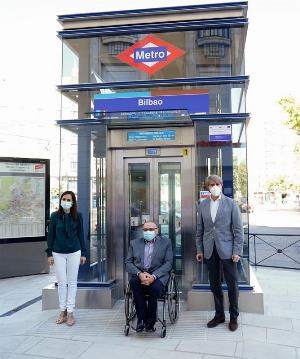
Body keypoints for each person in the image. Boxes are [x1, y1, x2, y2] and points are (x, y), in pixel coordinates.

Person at [195, 175, 244, 331]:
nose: (214, 186)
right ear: (207, 187)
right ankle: (219, 315)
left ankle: (234, 317)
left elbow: (238, 230)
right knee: (215, 285)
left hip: (229, 252)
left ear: (221, 185)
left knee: (232, 286)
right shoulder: (202, 205)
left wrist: (237, 251)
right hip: (210, 250)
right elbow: (200, 230)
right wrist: (199, 250)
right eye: (211, 184)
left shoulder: (231, 204)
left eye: (217, 184)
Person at [46, 191, 87, 326]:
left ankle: (70, 312)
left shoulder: (78, 216)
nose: (66, 201)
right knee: (62, 282)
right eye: (64, 199)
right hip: (58, 253)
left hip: (74, 252)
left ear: (73, 202)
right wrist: (49, 254)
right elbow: (50, 236)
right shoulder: (55, 216)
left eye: (68, 199)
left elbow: (81, 234)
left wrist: (83, 253)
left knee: (72, 282)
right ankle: (62, 311)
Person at [125, 221, 173, 332]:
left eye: (151, 230)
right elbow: (128, 262)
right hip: (140, 273)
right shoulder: (134, 243)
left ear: (157, 230)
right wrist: (140, 274)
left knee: (155, 288)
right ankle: (141, 319)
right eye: (145, 230)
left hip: (158, 275)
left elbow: (168, 263)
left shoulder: (166, 243)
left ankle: (150, 321)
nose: (148, 232)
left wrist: (154, 276)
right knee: (134, 283)